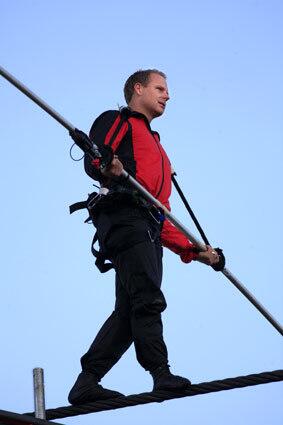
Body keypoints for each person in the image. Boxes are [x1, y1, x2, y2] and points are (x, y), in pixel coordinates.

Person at [68, 69, 221, 405]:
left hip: (146, 226)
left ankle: (86, 382)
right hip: (124, 219)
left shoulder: (156, 147)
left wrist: (198, 251)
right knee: (148, 298)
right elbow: (97, 156)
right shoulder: (118, 120)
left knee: (129, 312)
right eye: (160, 88)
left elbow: (160, 212)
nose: (167, 95)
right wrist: (108, 166)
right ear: (138, 89)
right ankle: (160, 373)